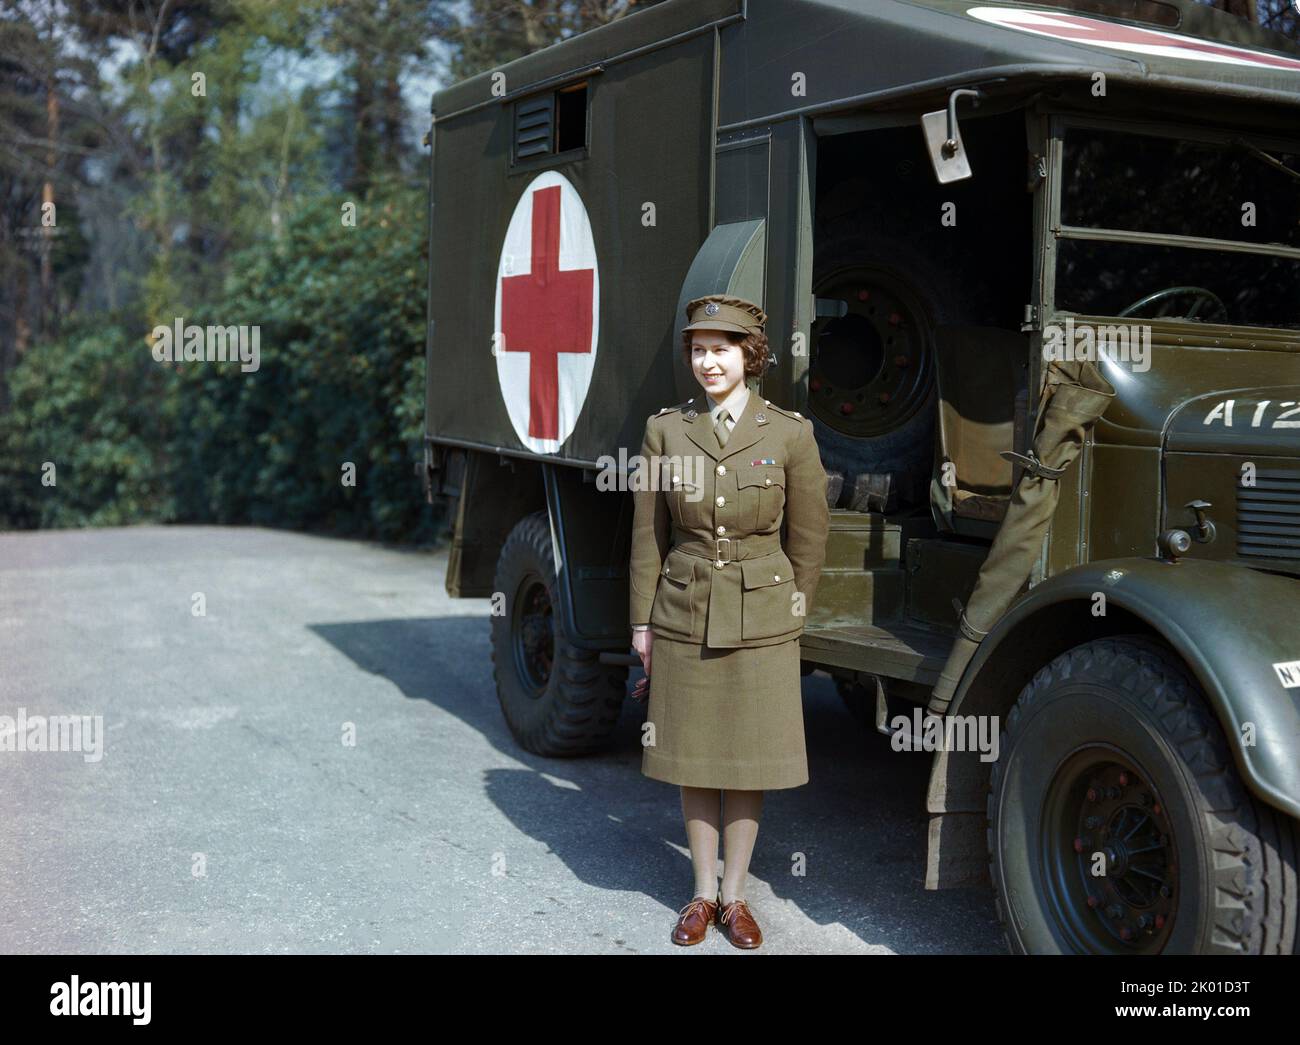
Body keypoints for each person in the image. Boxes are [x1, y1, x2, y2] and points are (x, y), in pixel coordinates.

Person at [628, 293, 830, 948]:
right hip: (685, 606)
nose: (707, 361)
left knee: (747, 759)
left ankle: (737, 896)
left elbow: (811, 534)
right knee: (695, 753)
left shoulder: (790, 433)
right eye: (698, 349)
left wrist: (795, 603)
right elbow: (647, 535)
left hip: (762, 610)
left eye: (721, 349)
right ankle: (701, 892)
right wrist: (642, 622)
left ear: (750, 355)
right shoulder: (666, 429)